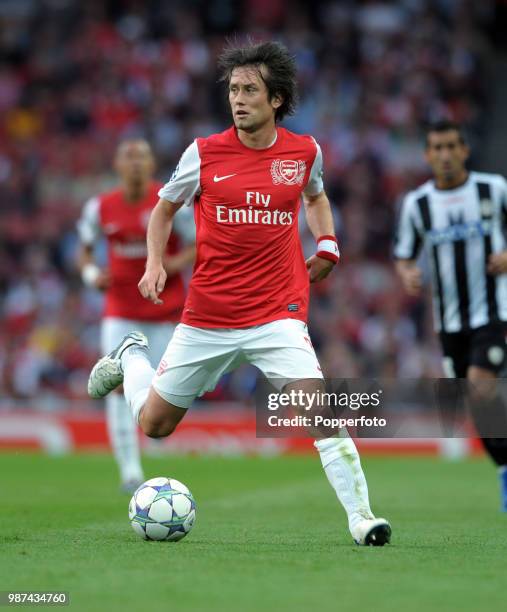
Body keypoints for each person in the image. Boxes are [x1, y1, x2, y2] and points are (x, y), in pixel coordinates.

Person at [88, 41, 391, 545]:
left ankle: (362, 519)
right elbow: (164, 209)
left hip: (278, 314)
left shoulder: (303, 152)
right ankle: (132, 356)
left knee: (318, 410)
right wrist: (155, 262)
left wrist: (330, 244)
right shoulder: (203, 153)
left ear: (276, 100)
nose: (238, 98)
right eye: (233, 89)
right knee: (155, 425)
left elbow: (315, 196)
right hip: (208, 315)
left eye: (250, 89)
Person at [394, 120, 507, 510]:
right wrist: (407, 272)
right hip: (449, 323)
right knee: (477, 404)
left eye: (450, 147)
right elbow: (404, 254)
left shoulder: (494, 190)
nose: (443, 155)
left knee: (480, 385)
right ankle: (504, 467)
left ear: (464, 151)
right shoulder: (418, 204)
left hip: (493, 312)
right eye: (436, 148)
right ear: (427, 155)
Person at [77, 139, 195, 493]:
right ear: (117, 165)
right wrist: (90, 276)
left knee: (163, 386)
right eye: (128, 157)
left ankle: (156, 429)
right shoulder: (100, 207)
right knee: (116, 386)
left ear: (151, 163)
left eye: (141, 156)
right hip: (120, 311)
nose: (135, 163)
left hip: (165, 309)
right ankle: (130, 470)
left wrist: (171, 264)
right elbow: (84, 251)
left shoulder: (170, 202)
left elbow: (198, 241)